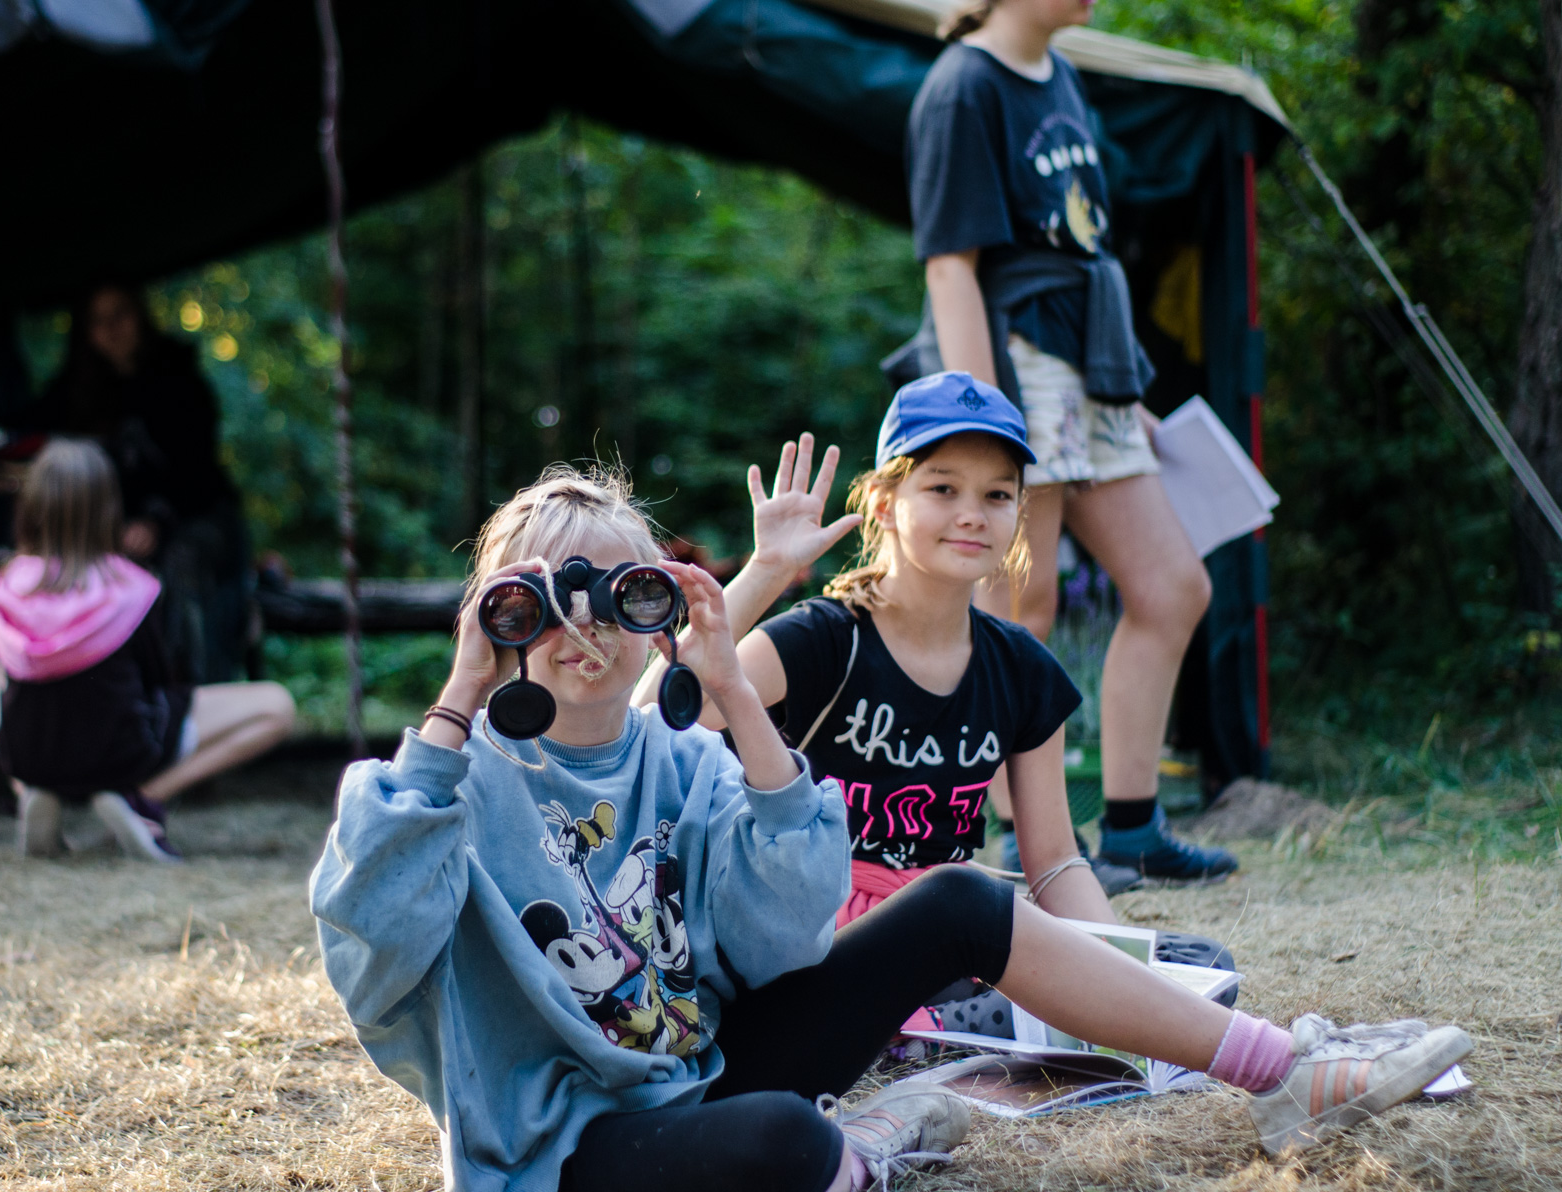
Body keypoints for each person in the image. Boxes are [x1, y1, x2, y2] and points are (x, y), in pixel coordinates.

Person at [312, 464, 1471, 1192]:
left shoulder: (682, 756)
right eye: (542, 603)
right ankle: (857, 1149)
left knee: (963, 896)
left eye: (619, 598)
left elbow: (785, 936)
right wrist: (458, 698)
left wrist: (736, 698)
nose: (584, 633)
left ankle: (1280, 1070)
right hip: (565, 1146)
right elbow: (372, 951)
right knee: (784, 1143)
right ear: (499, 618)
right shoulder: (450, 783)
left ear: (656, 608)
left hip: (703, 1071)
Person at [643, 378, 1228, 1040]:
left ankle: (965, 1019)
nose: (972, 514)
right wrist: (767, 571)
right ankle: (942, 1025)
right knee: (965, 924)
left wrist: (1119, 969)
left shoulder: (1023, 669)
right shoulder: (823, 639)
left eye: (997, 495)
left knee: (1197, 965)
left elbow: (1056, 863)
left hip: (949, 922)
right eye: (944, 488)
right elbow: (648, 725)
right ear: (885, 505)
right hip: (810, 928)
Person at [890, 0, 1235, 882]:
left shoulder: (1064, 77)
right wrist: (982, 420)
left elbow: (1079, 243)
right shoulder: (963, 86)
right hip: (1017, 359)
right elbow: (950, 267)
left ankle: (1133, 828)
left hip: (1090, 368)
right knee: (1022, 605)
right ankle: (1029, 844)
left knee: (1172, 587)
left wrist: (1121, 392)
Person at [0, 439, 295, 861]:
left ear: (30, 509)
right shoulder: (133, 588)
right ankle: (139, 799)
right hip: (122, 754)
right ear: (109, 510)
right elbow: (156, 680)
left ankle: (29, 788)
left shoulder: (7, 589)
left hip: (33, 751)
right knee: (276, 705)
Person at [27, 283, 251, 683]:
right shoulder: (73, 393)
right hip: (113, 531)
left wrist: (157, 520)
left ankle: (196, 687)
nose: (112, 328)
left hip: (197, 520)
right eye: (99, 320)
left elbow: (198, 472)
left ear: (140, 317)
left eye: (121, 314)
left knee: (181, 565)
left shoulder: (181, 381)